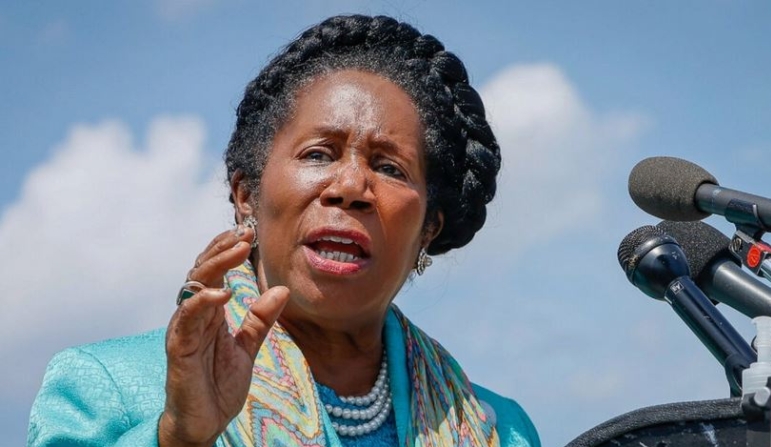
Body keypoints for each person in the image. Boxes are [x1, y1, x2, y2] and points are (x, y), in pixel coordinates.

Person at [28, 14, 541, 447]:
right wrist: (178, 436)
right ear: (247, 194)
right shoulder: (105, 386)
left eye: (390, 168)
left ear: (429, 226)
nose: (351, 186)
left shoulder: (504, 430)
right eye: (319, 154)